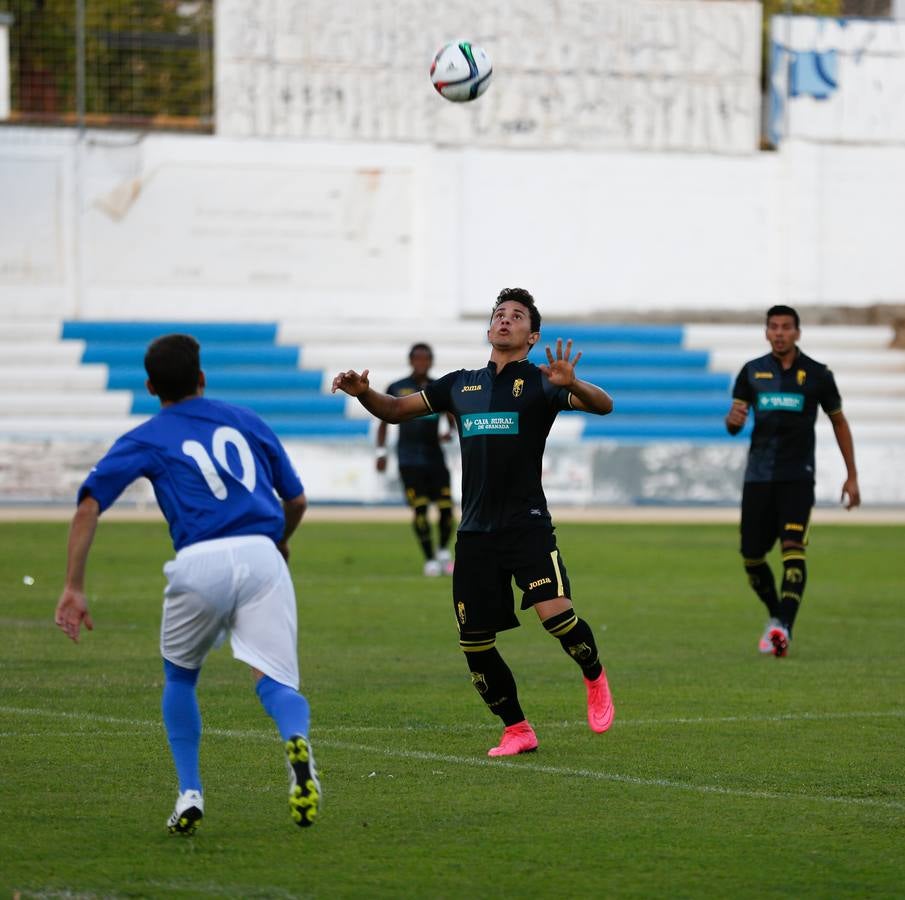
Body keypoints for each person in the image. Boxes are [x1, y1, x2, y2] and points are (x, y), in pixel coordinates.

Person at [54, 334, 320, 834]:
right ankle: (296, 746)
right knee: (276, 681)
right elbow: (298, 501)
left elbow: (88, 504)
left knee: (180, 678)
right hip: (263, 554)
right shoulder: (247, 419)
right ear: (201, 378)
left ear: (152, 386)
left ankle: (190, 793)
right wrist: (279, 542)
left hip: (199, 560)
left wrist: (73, 586)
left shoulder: (147, 435)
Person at [333, 288, 616, 757]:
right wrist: (364, 394)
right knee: (475, 641)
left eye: (517, 316)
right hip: (476, 533)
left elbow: (603, 405)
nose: (505, 321)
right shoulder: (459, 384)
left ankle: (593, 674)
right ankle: (517, 729)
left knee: (557, 617)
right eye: (499, 314)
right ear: (489, 329)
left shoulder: (545, 380)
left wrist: (575, 384)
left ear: (532, 334)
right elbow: (396, 410)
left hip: (527, 525)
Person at [725, 305, 860, 658]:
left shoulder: (817, 375)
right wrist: (734, 419)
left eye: (786, 327)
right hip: (758, 478)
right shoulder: (751, 372)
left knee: (792, 548)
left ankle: (783, 626)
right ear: (766, 333)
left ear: (798, 332)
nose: (780, 332)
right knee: (752, 557)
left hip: (797, 478)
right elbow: (733, 425)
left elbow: (839, 422)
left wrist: (852, 475)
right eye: (774, 327)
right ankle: (776, 615)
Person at [376, 343, 456, 576]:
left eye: (426, 359)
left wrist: (449, 432)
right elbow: (383, 420)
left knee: (446, 509)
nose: (422, 363)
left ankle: (442, 550)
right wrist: (381, 453)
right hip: (408, 459)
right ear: (411, 361)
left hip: (435, 458)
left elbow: (450, 414)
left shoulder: (437, 386)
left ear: (431, 361)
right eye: (417, 359)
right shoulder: (397, 387)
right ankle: (429, 558)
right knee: (420, 509)